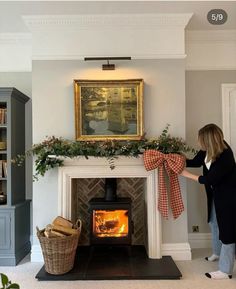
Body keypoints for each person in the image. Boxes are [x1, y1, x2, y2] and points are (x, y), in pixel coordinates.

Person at [181, 123, 236, 279]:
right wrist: (178, 159)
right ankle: (217, 253)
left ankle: (225, 271)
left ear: (208, 140)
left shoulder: (225, 155)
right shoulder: (206, 151)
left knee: (227, 230)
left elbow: (209, 178)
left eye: (200, 139)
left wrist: (185, 174)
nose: (198, 142)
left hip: (229, 197)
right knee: (214, 222)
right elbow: (195, 162)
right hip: (215, 194)